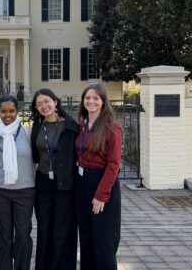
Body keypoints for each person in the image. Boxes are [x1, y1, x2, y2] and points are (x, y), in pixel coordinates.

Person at [75, 83, 122, 270]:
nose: (91, 101)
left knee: (103, 240)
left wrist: (101, 195)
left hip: (101, 184)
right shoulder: (82, 125)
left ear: (103, 101)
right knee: (86, 237)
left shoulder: (112, 128)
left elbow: (113, 166)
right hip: (82, 183)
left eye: (95, 98)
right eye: (87, 98)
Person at [30, 88, 78, 270]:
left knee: (61, 232)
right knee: (44, 230)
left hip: (64, 186)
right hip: (42, 184)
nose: (44, 106)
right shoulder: (37, 125)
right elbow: (35, 155)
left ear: (55, 102)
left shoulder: (70, 126)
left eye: (47, 101)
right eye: (39, 103)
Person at [0, 95, 35, 270]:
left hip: (25, 191)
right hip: (0, 192)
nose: (8, 115)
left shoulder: (28, 132)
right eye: (4, 111)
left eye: (11, 111)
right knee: (3, 236)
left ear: (17, 111)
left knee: (22, 235)